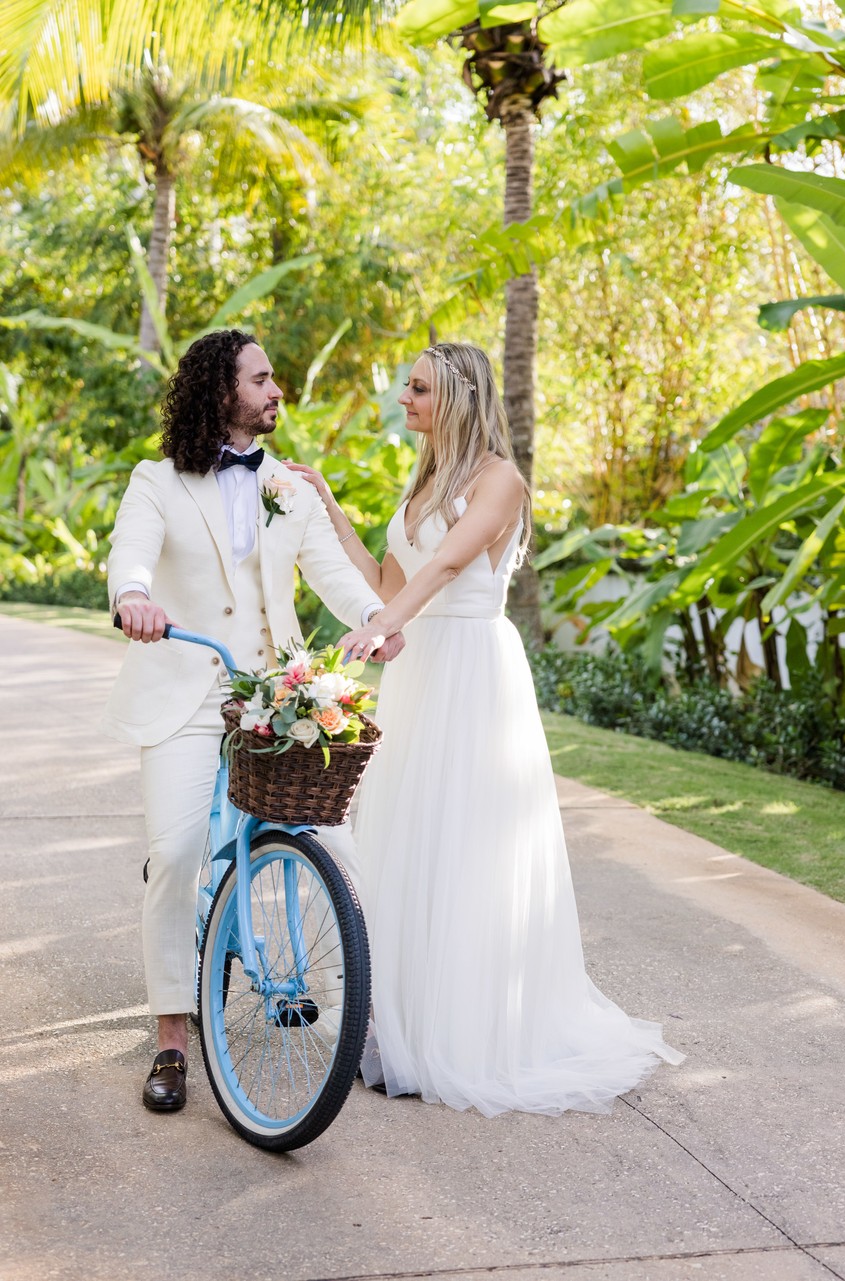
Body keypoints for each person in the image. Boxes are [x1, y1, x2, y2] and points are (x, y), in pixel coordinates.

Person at [286, 341, 683, 1117]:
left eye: (419, 388)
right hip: (420, 674)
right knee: (408, 837)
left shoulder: (500, 479)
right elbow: (386, 580)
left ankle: (468, 1033)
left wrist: (380, 629)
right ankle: (400, 1019)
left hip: (471, 671)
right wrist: (328, 504)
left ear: (460, 397)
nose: (405, 399)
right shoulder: (423, 482)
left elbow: (442, 571)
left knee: (465, 841)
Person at [103, 329, 401, 1113]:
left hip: (274, 692)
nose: (277, 391)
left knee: (335, 847)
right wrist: (133, 596)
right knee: (176, 855)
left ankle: (361, 1018)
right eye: (262, 379)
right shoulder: (157, 480)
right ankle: (174, 1037)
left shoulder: (290, 488)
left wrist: (376, 618)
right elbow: (131, 552)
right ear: (221, 389)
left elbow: (335, 575)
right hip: (185, 688)